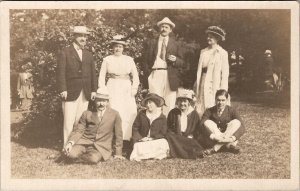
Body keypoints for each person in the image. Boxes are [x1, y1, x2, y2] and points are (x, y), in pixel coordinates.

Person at [56, 26, 97, 145]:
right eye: (80, 36)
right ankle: (66, 147)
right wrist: (63, 89)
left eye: (85, 36)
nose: (83, 38)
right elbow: (60, 72)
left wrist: (93, 90)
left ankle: (75, 145)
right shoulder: (65, 52)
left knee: (80, 121)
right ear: (74, 37)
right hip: (70, 91)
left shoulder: (88, 54)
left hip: (86, 91)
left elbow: (93, 74)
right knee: (68, 121)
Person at [63, 87, 125, 164]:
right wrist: (70, 143)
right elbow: (79, 130)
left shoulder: (115, 114)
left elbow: (118, 135)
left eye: (103, 101)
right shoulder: (87, 113)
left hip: (100, 147)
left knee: (93, 159)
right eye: (99, 100)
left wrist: (118, 153)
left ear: (107, 102)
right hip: (83, 143)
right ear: (95, 101)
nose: (101, 104)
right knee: (71, 154)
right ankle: (73, 156)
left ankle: (73, 158)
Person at [98, 35, 139, 142]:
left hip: (126, 87)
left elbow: (135, 76)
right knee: (113, 110)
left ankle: (126, 138)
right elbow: (102, 76)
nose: (118, 49)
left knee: (127, 112)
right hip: (112, 86)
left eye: (120, 47)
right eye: (116, 46)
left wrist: (134, 88)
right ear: (112, 48)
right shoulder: (107, 59)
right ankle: (111, 139)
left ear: (123, 48)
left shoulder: (129, 59)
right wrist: (103, 91)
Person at [142, 17, 185, 116]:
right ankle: (155, 125)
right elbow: (145, 61)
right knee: (154, 101)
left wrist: (175, 60)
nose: (164, 29)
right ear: (159, 29)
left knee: (169, 102)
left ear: (170, 30)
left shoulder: (176, 44)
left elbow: (183, 62)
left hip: (170, 75)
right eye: (162, 27)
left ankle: (168, 128)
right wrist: (148, 75)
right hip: (155, 73)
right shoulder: (152, 42)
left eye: (166, 27)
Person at [194, 26, 229, 118]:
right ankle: (201, 123)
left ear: (217, 38)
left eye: (211, 37)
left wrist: (223, 89)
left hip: (215, 82)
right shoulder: (203, 52)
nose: (208, 38)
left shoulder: (222, 53)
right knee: (201, 102)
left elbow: (225, 73)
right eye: (208, 36)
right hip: (203, 80)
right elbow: (199, 70)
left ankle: (213, 123)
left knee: (212, 101)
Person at [200, 89, 245, 155]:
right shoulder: (209, 110)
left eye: (223, 100)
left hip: (229, 137)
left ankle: (215, 148)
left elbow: (242, 126)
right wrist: (214, 137)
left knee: (237, 122)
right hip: (215, 137)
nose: (220, 103)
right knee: (207, 122)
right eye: (218, 100)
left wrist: (232, 138)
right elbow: (201, 124)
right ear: (215, 100)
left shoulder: (232, 110)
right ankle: (229, 146)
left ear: (226, 100)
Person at [165, 88, 204, 159]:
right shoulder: (173, 112)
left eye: (185, 101)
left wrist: (192, 136)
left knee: (193, 144)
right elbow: (168, 127)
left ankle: (183, 151)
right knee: (169, 136)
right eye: (180, 101)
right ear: (177, 102)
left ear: (189, 102)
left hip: (188, 138)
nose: (182, 104)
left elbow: (198, 130)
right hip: (176, 137)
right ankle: (184, 152)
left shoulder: (194, 114)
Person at [130, 93, 169, 161]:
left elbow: (163, 132)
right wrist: (141, 138)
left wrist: (152, 138)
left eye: (150, 102)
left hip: (155, 140)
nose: (148, 105)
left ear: (156, 103)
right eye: (146, 103)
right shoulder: (141, 114)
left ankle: (152, 155)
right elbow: (135, 128)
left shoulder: (162, 117)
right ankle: (148, 155)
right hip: (143, 140)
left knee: (164, 142)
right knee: (137, 146)